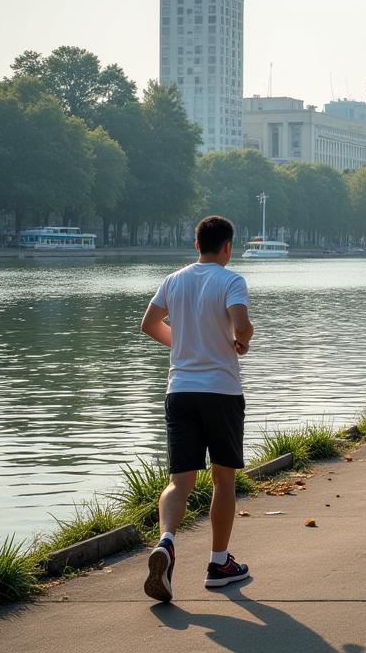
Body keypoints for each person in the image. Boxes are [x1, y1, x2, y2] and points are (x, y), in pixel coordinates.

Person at [139, 215, 254, 603]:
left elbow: (149, 323)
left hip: (180, 391)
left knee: (179, 481)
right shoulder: (230, 280)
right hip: (221, 391)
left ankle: (167, 542)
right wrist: (242, 340)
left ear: (196, 245)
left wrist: (183, 345)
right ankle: (219, 564)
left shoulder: (174, 279)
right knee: (223, 479)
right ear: (227, 247)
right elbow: (241, 325)